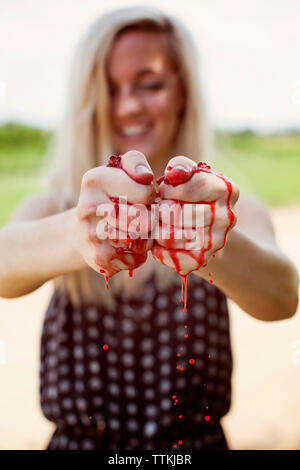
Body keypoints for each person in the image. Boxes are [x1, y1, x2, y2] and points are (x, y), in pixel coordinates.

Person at [0, 6, 298, 451]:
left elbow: (283, 296)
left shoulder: (230, 210)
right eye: (110, 89)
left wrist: (215, 243)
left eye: (151, 83)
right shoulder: (60, 204)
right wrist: (80, 232)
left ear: (184, 94)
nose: (128, 106)